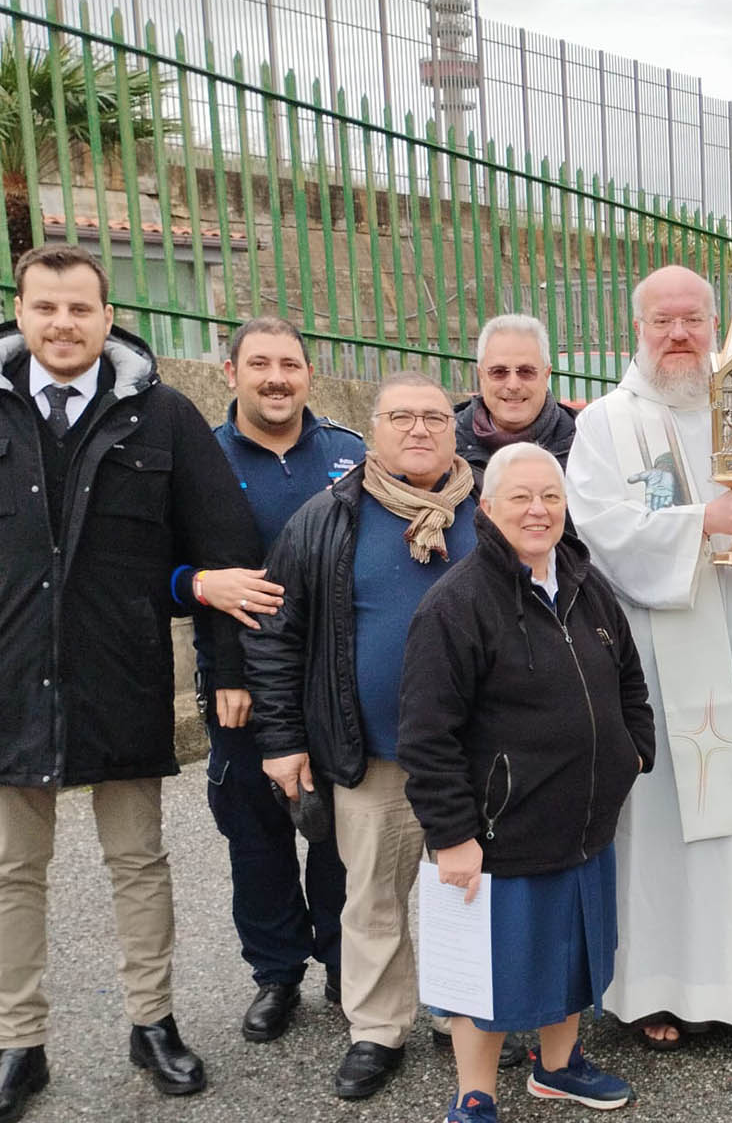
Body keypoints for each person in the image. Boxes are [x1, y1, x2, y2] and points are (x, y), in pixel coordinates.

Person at [0, 243, 259, 1119]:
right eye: (46, 308)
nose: (63, 324)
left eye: (80, 309)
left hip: (121, 676)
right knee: (10, 872)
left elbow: (224, 552)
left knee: (138, 862)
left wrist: (225, 670)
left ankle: (152, 1024)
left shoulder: (165, 417)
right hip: (8, 685)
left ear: (108, 318)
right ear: (23, 312)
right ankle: (18, 1042)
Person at [565, 264, 732, 1050]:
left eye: (693, 320)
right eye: (662, 321)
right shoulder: (606, 424)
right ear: (636, 329)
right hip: (655, 651)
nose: (679, 336)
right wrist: (701, 523)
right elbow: (597, 529)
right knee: (665, 826)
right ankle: (656, 991)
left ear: (714, 325)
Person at [398, 443, 655, 1121]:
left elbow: (629, 677)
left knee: (572, 955)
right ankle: (474, 1095)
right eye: (521, 497)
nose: (538, 511)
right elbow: (427, 735)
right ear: (486, 507)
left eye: (552, 498)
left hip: (585, 823)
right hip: (499, 832)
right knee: (487, 975)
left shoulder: (583, 582)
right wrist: (452, 834)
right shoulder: (455, 605)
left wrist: (636, 751)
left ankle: (559, 1066)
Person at [246, 370, 478, 1100]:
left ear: (454, 429)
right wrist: (281, 739)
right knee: (371, 896)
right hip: (370, 751)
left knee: (465, 892)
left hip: (474, 753)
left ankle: (461, 1013)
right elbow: (276, 635)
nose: (419, 430)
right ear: (373, 430)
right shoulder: (328, 517)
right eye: (402, 417)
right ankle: (377, 1029)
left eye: (434, 418)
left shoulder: (493, 513)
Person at [175, 316, 362, 1044]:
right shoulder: (201, 460)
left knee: (342, 835)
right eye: (260, 364)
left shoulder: (349, 456)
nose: (276, 377)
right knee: (255, 835)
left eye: (289, 363)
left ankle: (350, 967)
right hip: (241, 686)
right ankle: (277, 973)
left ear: (308, 374)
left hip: (335, 684)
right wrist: (198, 588)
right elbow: (165, 572)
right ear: (230, 374)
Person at [454, 314, 577, 471]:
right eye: (499, 372)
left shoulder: (584, 446)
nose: (513, 385)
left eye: (526, 371)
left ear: (546, 374)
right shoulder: (445, 446)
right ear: (481, 376)